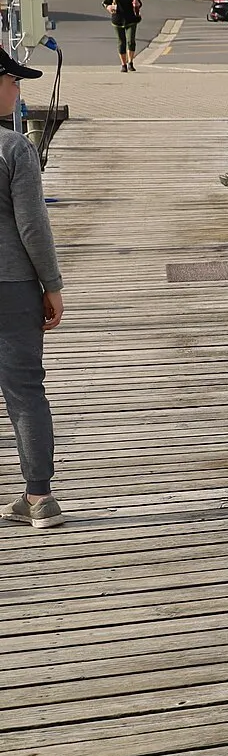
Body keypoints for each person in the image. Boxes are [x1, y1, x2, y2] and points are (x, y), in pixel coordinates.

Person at [0, 49, 63, 529]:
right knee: (24, 393)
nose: (19, 90)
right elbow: (33, 227)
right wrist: (52, 285)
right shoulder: (14, 147)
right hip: (13, 287)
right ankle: (39, 498)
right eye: (13, 81)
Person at [104, 0, 142, 72]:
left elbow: (139, 3)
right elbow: (105, 3)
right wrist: (109, 8)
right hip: (118, 20)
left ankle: (130, 62)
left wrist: (136, 5)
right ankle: (123, 64)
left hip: (131, 19)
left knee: (131, 41)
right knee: (121, 42)